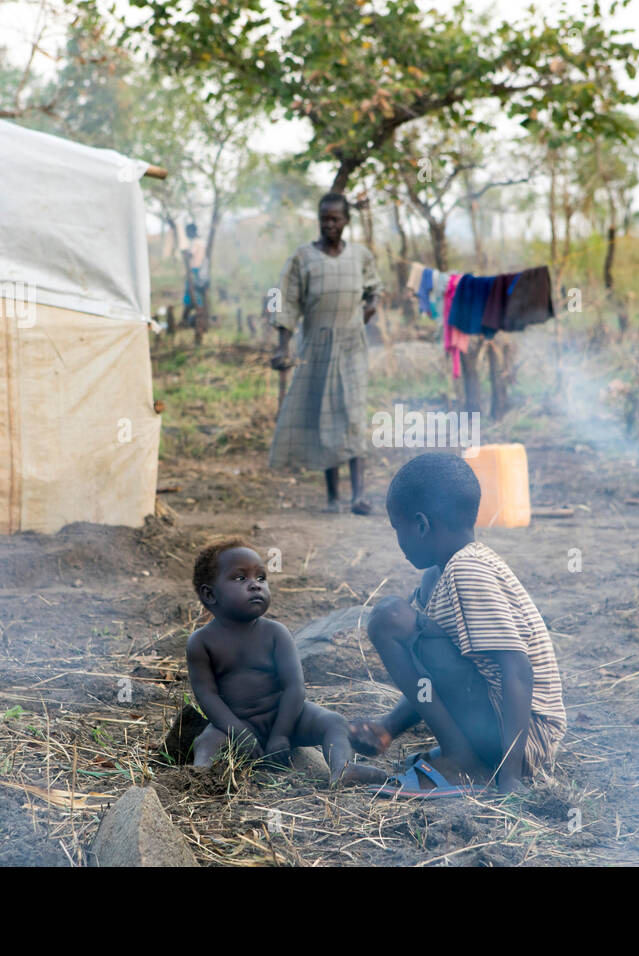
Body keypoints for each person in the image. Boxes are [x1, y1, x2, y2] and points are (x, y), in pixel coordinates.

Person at [351, 453, 567, 795]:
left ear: (421, 525)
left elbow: (516, 670)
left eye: (398, 528)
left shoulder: (469, 570)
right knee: (400, 620)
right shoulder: (437, 578)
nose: (398, 541)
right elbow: (436, 670)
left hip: (523, 738)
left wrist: (510, 777)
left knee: (389, 618)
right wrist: (388, 727)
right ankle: (466, 758)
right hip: (498, 726)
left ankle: (464, 763)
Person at [185, 537, 385, 786]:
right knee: (206, 742)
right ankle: (200, 781)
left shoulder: (276, 633)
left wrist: (281, 734)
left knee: (333, 721)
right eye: (240, 578)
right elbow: (207, 696)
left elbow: (294, 687)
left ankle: (342, 768)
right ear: (210, 594)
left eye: (260, 578)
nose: (255, 586)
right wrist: (238, 733)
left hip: (286, 716)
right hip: (236, 723)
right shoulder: (201, 642)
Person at [269, 192, 383, 514]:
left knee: (355, 418)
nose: (329, 224)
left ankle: (358, 496)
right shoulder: (303, 258)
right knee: (327, 417)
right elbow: (284, 301)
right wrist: (282, 346)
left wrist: (370, 308)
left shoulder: (360, 256)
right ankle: (333, 497)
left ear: (346, 221)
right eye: (324, 218)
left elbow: (375, 289)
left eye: (335, 219)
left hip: (352, 348)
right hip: (317, 351)